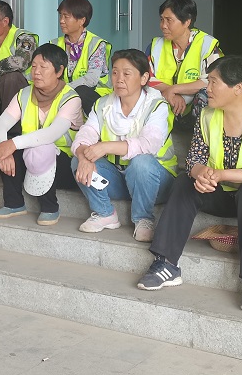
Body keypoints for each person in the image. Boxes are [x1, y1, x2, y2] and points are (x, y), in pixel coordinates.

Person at [136, 56, 242, 313]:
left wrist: (220, 175)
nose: (207, 88)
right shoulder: (207, 114)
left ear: (238, 88)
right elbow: (194, 159)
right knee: (185, 181)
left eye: (214, 82)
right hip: (228, 194)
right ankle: (166, 263)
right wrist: (201, 173)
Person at [71, 49, 177, 241]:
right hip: (120, 179)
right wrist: (83, 156)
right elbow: (85, 135)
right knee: (78, 160)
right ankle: (105, 213)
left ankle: (143, 218)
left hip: (155, 182)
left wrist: (105, 146)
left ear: (144, 78)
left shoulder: (156, 106)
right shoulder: (103, 104)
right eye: (115, 72)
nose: (119, 79)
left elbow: (148, 144)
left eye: (127, 74)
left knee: (141, 162)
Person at [0, 43, 83, 226]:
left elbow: (51, 134)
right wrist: (4, 149)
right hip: (31, 157)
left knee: (40, 149)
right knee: (5, 146)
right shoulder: (24, 94)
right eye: (34, 66)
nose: (37, 72)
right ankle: (14, 203)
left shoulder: (71, 98)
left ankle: (50, 208)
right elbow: (0, 126)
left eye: (43, 67)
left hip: (64, 164)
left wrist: (12, 144)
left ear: (59, 71)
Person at [146, 0, 222, 119]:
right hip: (165, 103)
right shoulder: (156, 46)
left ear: (187, 22)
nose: (163, 25)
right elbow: (146, 77)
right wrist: (171, 92)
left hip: (194, 107)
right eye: (161, 19)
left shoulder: (207, 45)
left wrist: (174, 89)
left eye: (169, 20)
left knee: (205, 95)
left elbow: (212, 80)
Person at [55, 0, 111, 113]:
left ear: (82, 20)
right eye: (60, 15)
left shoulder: (96, 44)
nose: (61, 21)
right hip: (66, 96)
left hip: (95, 96)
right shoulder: (55, 44)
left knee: (82, 91)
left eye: (66, 17)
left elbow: (92, 79)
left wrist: (63, 89)